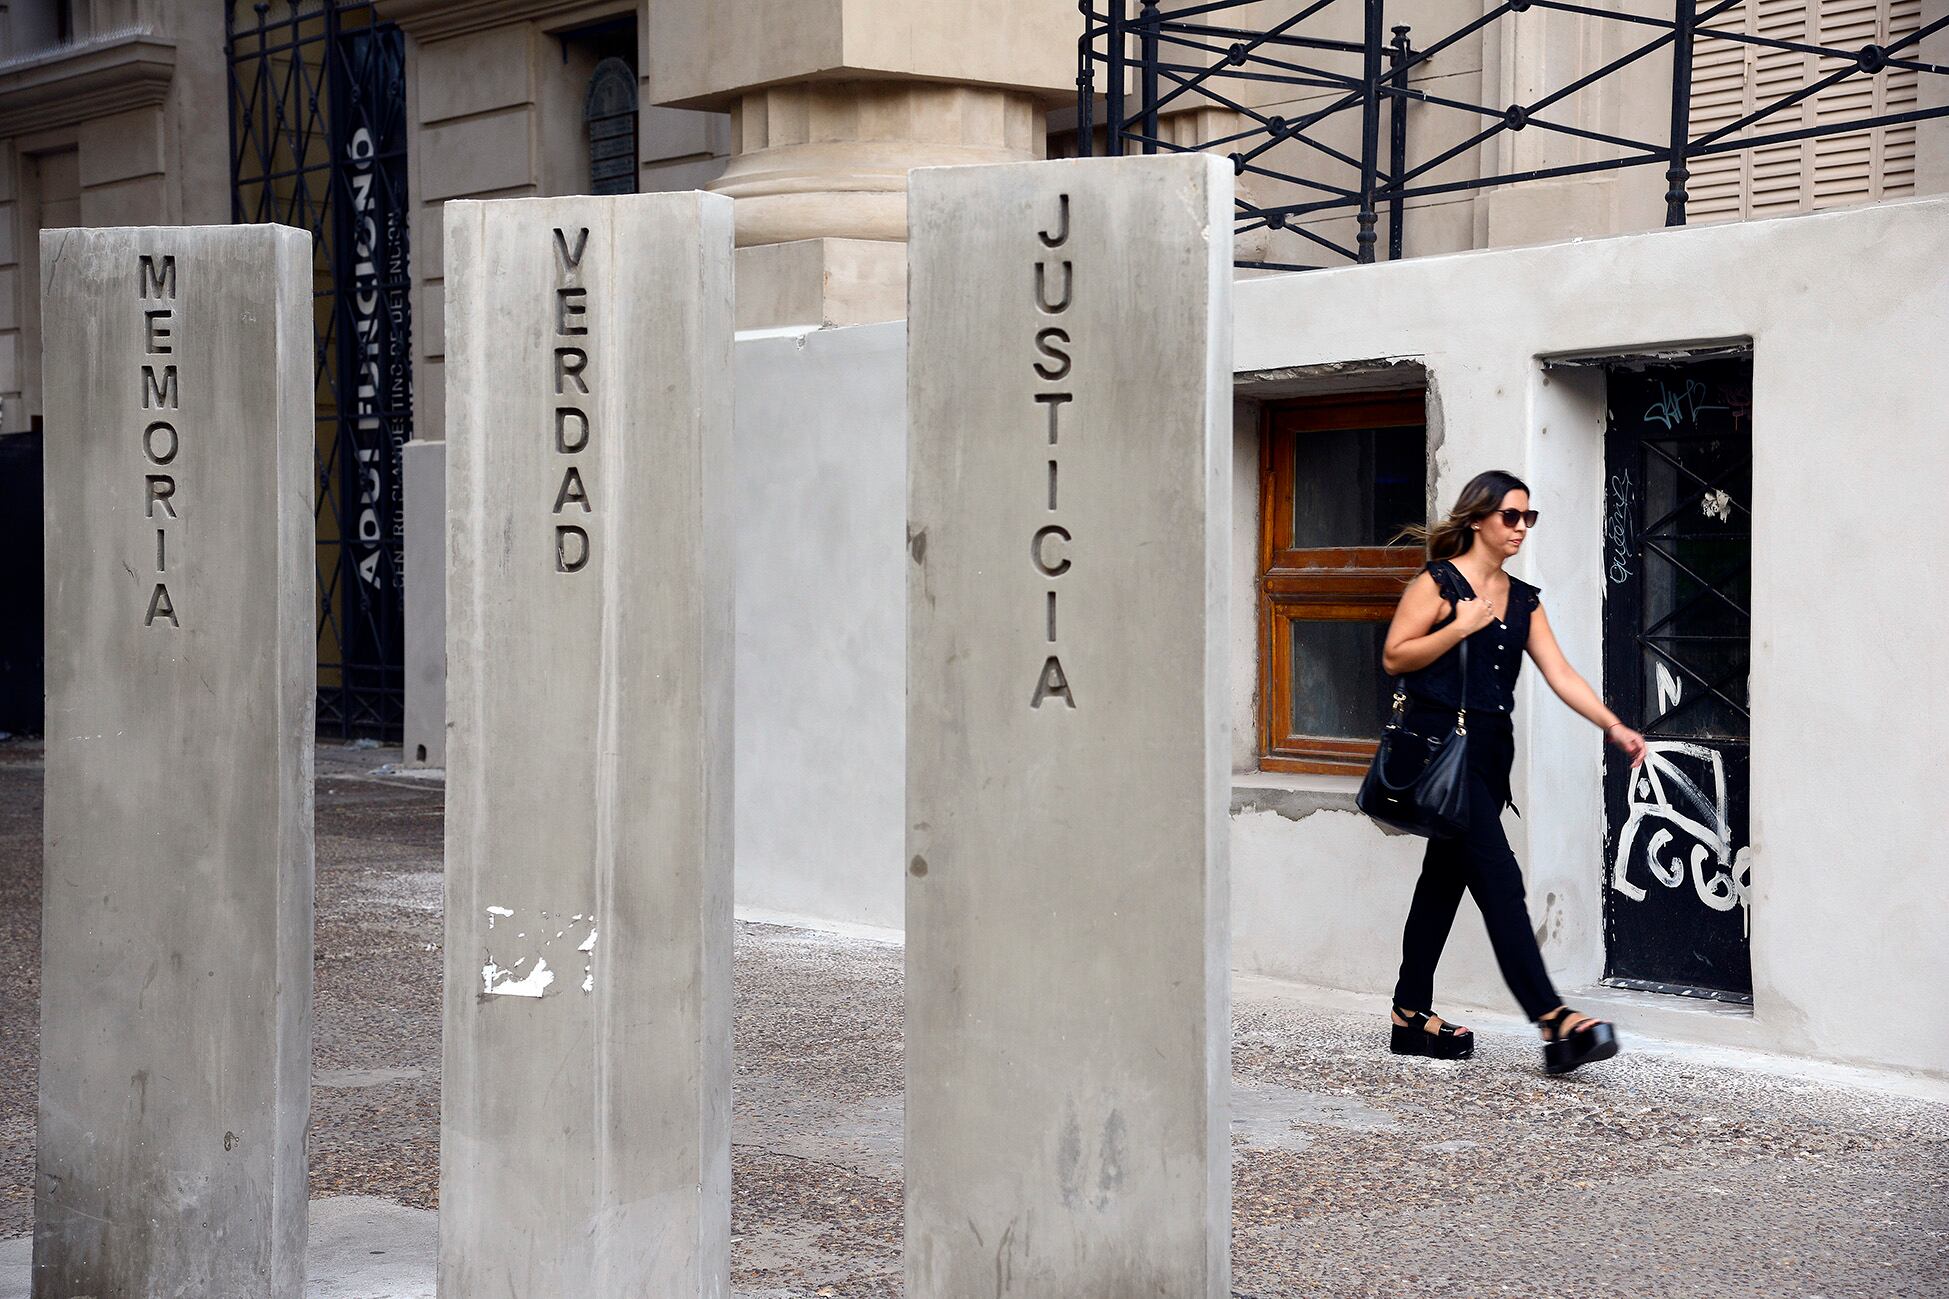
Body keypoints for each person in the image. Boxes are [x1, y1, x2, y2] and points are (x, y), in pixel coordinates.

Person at [1379, 469, 1647, 1075]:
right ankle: (1554, 1020)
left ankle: (1408, 1014)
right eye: (1511, 516)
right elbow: (1395, 655)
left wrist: (1612, 724)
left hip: (1488, 759)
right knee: (1500, 882)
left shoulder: (1523, 599)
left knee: (1442, 883)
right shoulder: (1439, 584)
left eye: (1529, 518)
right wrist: (1459, 627)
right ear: (1478, 519)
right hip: (1441, 756)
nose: (1521, 528)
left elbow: (1561, 674)